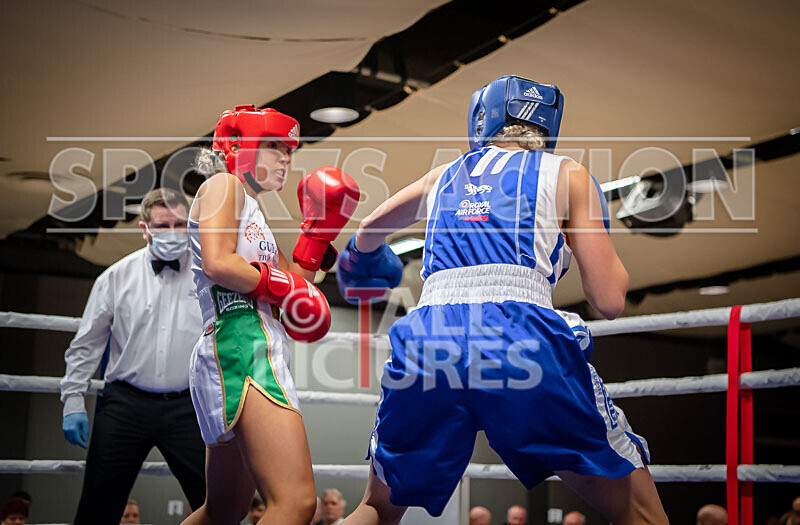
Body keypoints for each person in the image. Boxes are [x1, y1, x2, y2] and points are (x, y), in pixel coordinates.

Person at [337, 75, 668, 525]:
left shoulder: (444, 175)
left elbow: (367, 233)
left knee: (376, 508)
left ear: (482, 118)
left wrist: (359, 262)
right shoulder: (567, 173)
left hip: (430, 340)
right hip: (521, 336)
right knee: (640, 513)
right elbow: (609, 300)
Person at [180, 104, 358, 525]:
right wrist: (283, 285)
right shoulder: (224, 186)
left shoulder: (252, 211)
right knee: (295, 504)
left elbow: (293, 285)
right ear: (240, 148)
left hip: (240, 340)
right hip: (241, 340)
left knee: (223, 512)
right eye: (275, 146)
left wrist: (317, 235)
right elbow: (219, 264)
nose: (286, 158)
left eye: (289, 149)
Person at [60, 188, 206, 523]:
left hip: (190, 406)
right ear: (144, 229)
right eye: (162, 225)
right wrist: (72, 402)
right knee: (98, 505)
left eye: (180, 224)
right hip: (125, 405)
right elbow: (87, 345)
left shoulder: (208, 276)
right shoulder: (115, 277)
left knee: (217, 501)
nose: (172, 232)